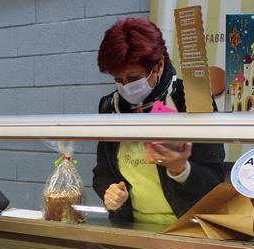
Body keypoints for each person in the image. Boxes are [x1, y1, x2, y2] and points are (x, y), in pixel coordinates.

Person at [93, 18, 225, 224]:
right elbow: (102, 172)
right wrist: (109, 191)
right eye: (118, 80)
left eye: (133, 77)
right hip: (133, 228)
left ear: (159, 65)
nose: (125, 86)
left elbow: (213, 181)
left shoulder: (190, 99)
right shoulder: (110, 107)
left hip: (188, 229)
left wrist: (181, 168)